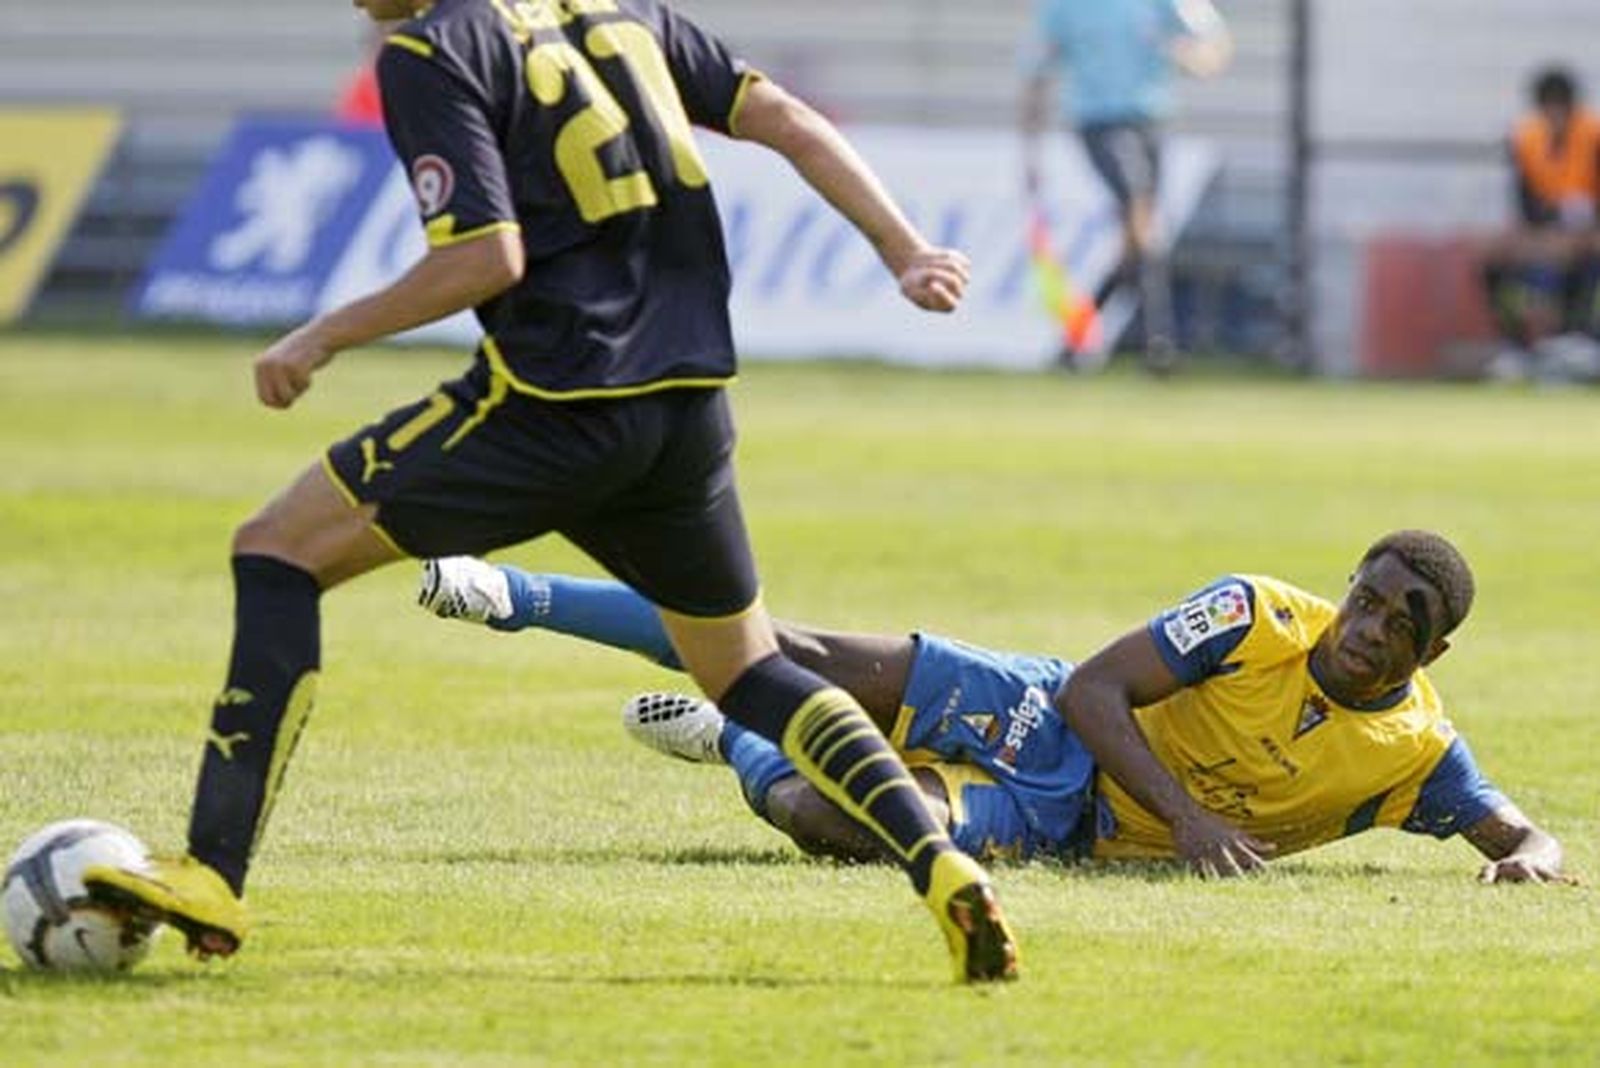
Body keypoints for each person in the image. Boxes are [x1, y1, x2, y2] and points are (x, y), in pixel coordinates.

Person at [82, 0, 1019, 984]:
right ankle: (936, 860)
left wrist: (323, 334)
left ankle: (215, 874)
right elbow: (785, 118)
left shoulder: (430, 50)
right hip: (686, 409)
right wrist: (903, 248)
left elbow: (484, 258)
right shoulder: (627, 15)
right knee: (744, 669)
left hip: (550, 406)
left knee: (276, 548)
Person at [416, 531, 1568, 884]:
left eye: (1394, 621)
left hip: (1062, 827)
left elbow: (1521, 832)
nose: (1362, 625)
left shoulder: (1413, 752)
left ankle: (736, 734)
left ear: (1433, 648)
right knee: (795, 644)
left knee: (830, 823)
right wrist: (1193, 820)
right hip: (1047, 720)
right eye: (1364, 597)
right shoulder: (1256, 613)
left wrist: (1525, 858)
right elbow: (1093, 686)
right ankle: (510, 592)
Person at [1020, 0, 1231, 374]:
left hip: (1151, 123)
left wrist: (1185, 54)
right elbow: (1037, 73)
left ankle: (1075, 343)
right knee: (1141, 220)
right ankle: (1158, 345)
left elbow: (1213, 49)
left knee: (1138, 243)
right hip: (1098, 124)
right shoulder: (1062, 7)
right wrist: (1031, 153)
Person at [1479, 66, 1600, 381]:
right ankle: (1517, 346)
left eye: (1562, 106)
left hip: (1589, 230)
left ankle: (1581, 338)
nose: (1555, 114)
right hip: (1546, 228)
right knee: (1493, 257)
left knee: (1584, 255)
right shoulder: (1525, 137)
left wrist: (1582, 233)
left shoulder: (1593, 133)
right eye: (1549, 106)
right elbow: (1525, 201)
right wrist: (1541, 233)